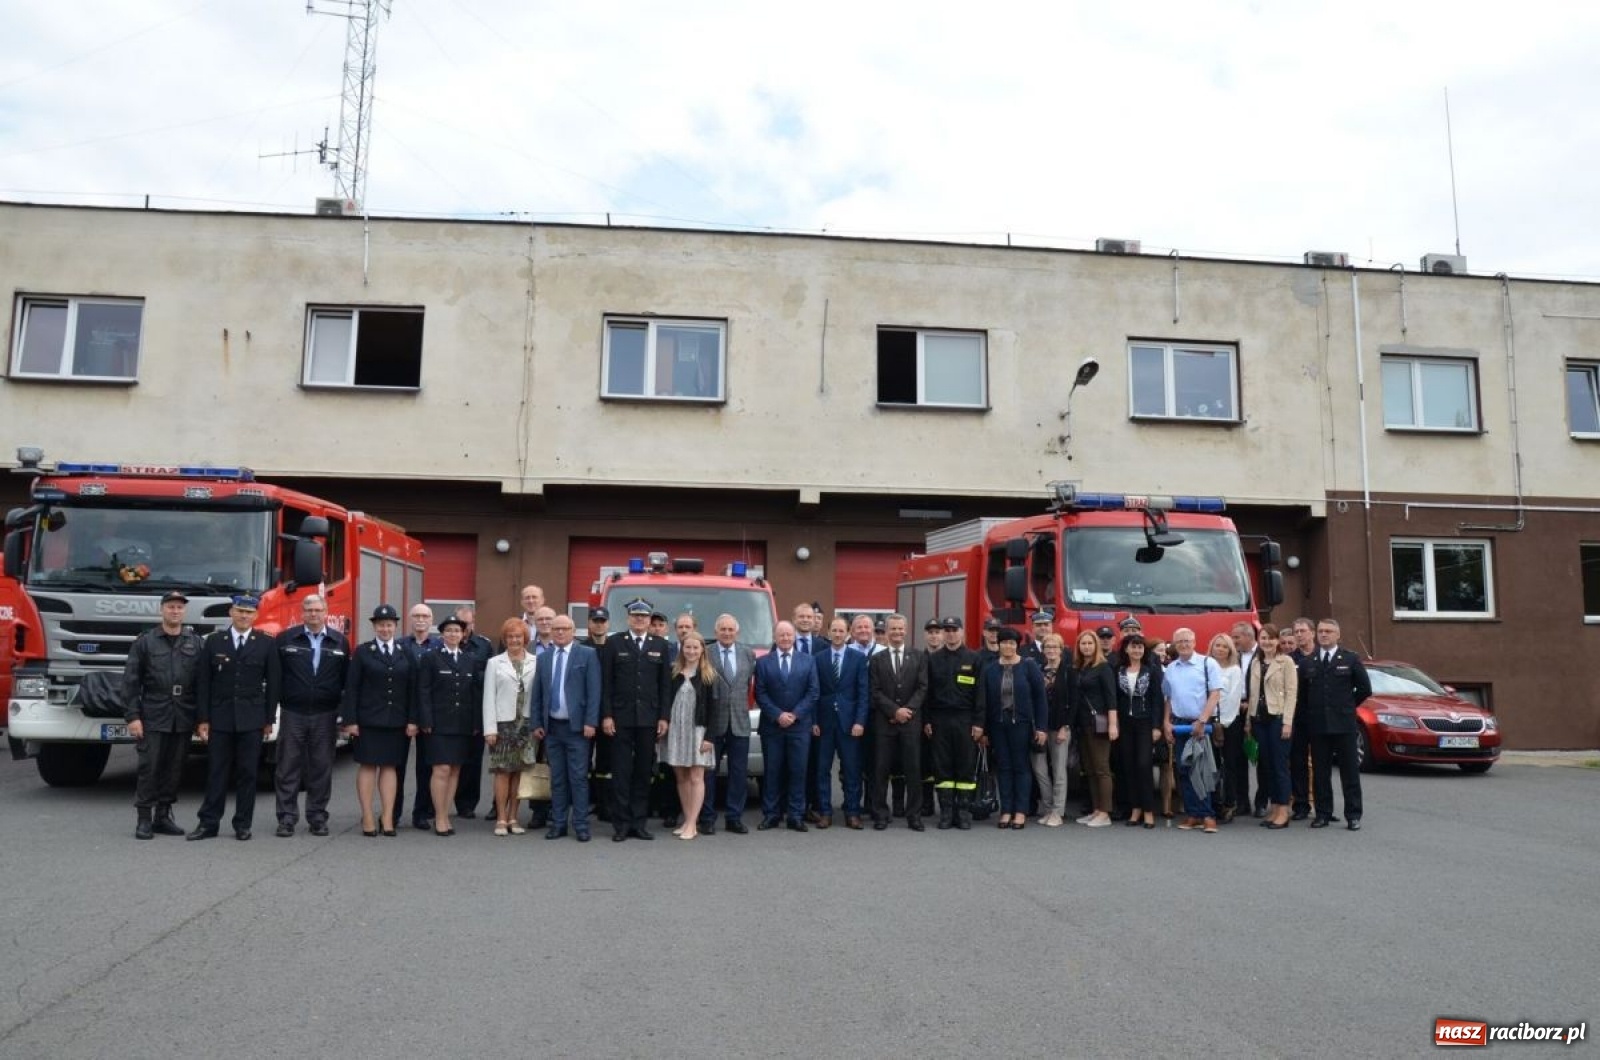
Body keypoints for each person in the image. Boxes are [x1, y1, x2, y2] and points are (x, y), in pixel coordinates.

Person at [188, 594, 281, 841]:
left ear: (256, 615)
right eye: (239, 611)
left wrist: (269, 719)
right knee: (216, 772)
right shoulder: (215, 641)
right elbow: (204, 682)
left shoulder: (266, 644)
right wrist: (203, 718)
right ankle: (208, 823)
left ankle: (243, 824)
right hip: (220, 718)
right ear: (231, 612)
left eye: (249, 612)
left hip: (252, 719)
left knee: (248, 773)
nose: (243, 616)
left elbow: (273, 684)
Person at [122, 589, 202, 840]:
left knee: (174, 768)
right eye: (171, 607)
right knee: (150, 767)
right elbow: (131, 682)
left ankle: (163, 816)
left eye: (179, 607)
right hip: (154, 712)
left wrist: (201, 719)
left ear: (184, 611)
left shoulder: (195, 642)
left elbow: (202, 684)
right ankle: (144, 819)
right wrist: (133, 716)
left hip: (183, 714)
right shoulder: (145, 642)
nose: (175, 611)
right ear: (161, 610)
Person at [273, 594, 350, 837]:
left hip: (325, 714)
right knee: (287, 767)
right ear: (302, 612)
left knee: (321, 767)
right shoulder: (285, 639)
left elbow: (346, 682)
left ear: (326, 611)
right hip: (293, 712)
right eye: (309, 610)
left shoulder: (339, 641)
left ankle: (317, 817)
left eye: (318, 609)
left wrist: (344, 715)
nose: (313, 614)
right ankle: (286, 818)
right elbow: (276, 678)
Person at [600, 599, 671, 841]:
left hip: (649, 719)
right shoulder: (614, 642)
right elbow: (606, 683)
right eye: (635, 616)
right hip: (620, 717)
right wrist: (607, 715)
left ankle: (639, 823)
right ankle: (621, 824)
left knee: (643, 772)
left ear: (650, 619)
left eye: (644, 616)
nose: (640, 620)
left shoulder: (660, 645)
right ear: (628, 618)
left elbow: (664, 687)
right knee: (621, 772)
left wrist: (663, 717)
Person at [342, 604, 416, 837]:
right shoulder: (364, 652)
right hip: (368, 721)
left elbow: (413, 689)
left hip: (396, 721)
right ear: (374, 626)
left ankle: (387, 816)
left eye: (389, 625)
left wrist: (413, 720)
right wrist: (351, 720)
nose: (385, 629)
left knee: (389, 767)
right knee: (367, 766)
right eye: (381, 625)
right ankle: (366, 815)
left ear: (395, 626)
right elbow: (351, 688)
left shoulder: (406, 652)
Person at [532, 614, 601, 841]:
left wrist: (591, 722)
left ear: (573, 631)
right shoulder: (543, 658)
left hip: (578, 729)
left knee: (578, 777)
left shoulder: (587, 654)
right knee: (558, 778)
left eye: (564, 628)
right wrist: (537, 723)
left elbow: (594, 692)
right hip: (552, 728)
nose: (560, 632)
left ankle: (580, 825)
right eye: (556, 629)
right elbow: (538, 694)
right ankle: (559, 824)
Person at [417, 615, 484, 836]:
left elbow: (475, 694)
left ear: (463, 634)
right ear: (442, 634)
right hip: (438, 724)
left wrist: (476, 723)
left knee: (455, 770)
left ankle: (446, 814)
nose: (453, 634)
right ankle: (439, 817)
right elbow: (424, 691)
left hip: (462, 724)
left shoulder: (470, 659)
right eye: (449, 630)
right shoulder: (431, 658)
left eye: (457, 630)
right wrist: (425, 720)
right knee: (441, 769)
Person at [1303, 618, 1371, 831]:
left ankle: (1353, 815)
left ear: (1338, 636)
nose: (1324, 634)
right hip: (1318, 726)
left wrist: (1348, 707)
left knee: (1349, 771)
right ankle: (1323, 813)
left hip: (1344, 725)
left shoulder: (1350, 659)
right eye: (1321, 631)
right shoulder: (1309, 661)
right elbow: (1303, 695)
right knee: (1321, 772)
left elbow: (1364, 689)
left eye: (1329, 631)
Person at [977, 627, 1047, 829]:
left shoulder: (1028, 666)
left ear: (1017, 646)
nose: (1007, 646)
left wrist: (1041, 727)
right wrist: (984, 730)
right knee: (1004, 768)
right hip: (997, 725)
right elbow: (984, 701)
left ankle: (1020, 811)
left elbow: (1040, 699)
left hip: (1022, 725)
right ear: (998, 644)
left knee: (1021, 767)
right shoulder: (990, 668)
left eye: (1012, 643)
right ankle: (1006, 810)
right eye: (1004, 642)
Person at [754, 620, 820, 831]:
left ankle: (795, 815)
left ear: (794, 637)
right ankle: (771, 814)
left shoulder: (808, 661)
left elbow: (813, 692)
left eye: (788, 635)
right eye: (781, 635)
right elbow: (760, 693)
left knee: (798, 771)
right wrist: (778, 715)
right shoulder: (763, 662)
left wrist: (795, 714)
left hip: (799, 727)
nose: (785, 638)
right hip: (772, 727)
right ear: (775, 637)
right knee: (772, 772)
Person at [867, 614, 928, 831]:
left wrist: (907, 711)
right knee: (881, 770)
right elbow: (874, 691)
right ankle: (881, 814)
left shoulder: (919, 657)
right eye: (893, 629)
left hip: (910, 723)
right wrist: (894, 711)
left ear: (906, 630)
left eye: (900, 629)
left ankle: (914, 815)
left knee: (913, 770)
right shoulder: (876, 659)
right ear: (886, 631)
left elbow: (922, 688)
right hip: (885, 723)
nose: (896, 633)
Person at [1162, 627, 1223, 833]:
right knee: (1184, 770)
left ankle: (1208, 815)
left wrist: (1202, 720)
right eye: (1179, 642)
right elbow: (1168, 698)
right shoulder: (1171, 668)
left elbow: (1215, 694)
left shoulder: (1208, 664)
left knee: (1203, 771)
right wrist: (1166, 722)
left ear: (1195, 642)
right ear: (1174, 645)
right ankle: (1193, 814)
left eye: (1187, 641)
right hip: (1179, 724)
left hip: (1200, 724)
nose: (1184, 644)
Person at [700, 613, 756, 835]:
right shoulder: (707, 653)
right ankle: (707, 818)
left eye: (730, 629)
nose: (726, 633)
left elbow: (749, 685)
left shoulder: (748, 653)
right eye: (722, 629)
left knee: (738, 773)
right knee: (708, 773)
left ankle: (734, 817)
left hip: (740, 722)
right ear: (715, 632)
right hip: (714, 723)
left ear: (737, 632)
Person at [813, 616, 870, 829]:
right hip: (825, 723)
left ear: (848, 634)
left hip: (850, 724)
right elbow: (814, 693)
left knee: (852, 769)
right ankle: (825, 812)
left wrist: (860, 722)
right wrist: (814, 721)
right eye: (834, 631)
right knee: (822, 769)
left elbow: (864, 693)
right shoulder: (818, 658)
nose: (837, 635)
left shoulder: (857, 659)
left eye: (841, 631)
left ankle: (852, 812)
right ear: (828, 633)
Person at [481, 618, 536, 836]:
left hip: (526, 725)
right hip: (503, 725)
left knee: (519, 773)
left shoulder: (535, 661)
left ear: (526, 639)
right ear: (504, 640)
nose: (514, 640)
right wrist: (489, 729)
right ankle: (501, 818)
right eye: (510, 637)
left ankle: (514, 816)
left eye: (518, 636)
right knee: (503, 772)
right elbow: (488, 697)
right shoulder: (495, 663)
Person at [926, 615, 981, 830]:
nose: (950, 633)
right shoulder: (933, 659)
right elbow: (928, 694)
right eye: (946, 630)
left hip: (965, 718)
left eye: (954, 629)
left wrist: (979, 723)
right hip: (940, 718)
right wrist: (928, 720)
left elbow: (980, 694)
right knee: (942, 766)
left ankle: (964, 812)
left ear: (962, 632)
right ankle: (947, 812)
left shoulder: (973, 658)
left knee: (965, 765)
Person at [660, 631, 716, 840]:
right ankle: (686, 819)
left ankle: (693, 823)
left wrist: (710, 737)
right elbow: (665, 701)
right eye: (687, 647)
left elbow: (714, 709)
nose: (691, 651)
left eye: (695, 647)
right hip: (677, 731)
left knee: (696, 777)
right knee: (681, 777)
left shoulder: (709, 675)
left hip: (698, 732)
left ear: (702, 650)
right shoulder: (674, 672)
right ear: (681, 649)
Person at [1247, 624, 1299, 829]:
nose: (1266, 642)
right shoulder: (1256, 663)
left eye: (1270, 638)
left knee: (1280, 767)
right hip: (1259, 719)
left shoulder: (1286, 662)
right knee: (1266, 766)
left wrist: (1287, 722)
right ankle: (1274, 808)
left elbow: (1291, 694)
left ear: (1277, 641)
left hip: (1278, 718)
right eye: (1263, 638)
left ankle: (1284, 811)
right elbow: (1253, 695)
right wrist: (1248, 722)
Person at [1114, 634, 1164, 829]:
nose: (1137, 650)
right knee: (1129, 766)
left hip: (1145, 723)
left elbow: (1157, 700)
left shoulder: (1151, 670)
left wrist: (1156, 727)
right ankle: (1135, 808)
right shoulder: (1119, 670)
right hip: (1125, 724)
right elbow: (1116, 699)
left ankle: (1148, 810)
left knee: (1144, 765)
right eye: (1133, 647)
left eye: (1140, 647)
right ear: (1126, 649)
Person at [1069, 629, 1118, 828]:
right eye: (1083, 644)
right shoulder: (1081, 667)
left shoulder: (1103, 667)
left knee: (1102, 769)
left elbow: (1111, 698)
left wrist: (1113, 725)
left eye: (1090, 643)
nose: (1086, 647)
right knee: (1089, 770)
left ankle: (1105, 812)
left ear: (1096, 646)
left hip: (1099, 725)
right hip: (1083, 725)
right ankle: (1096, 810)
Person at [400, 603, 440, 830]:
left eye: (425, 615)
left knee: (426, 767)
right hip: (401, 714)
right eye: (416, 615)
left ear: (431, 619)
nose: (420, 619)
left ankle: (422, 813)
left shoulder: (439, 646)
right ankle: (392, 814)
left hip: (428, 715)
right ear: (409, 618)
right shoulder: (398, 645)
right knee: (396, 767)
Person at [452, 606, 493, 820]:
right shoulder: (446, 643)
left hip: (475, 711)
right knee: (446, 760)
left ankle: (466, 804)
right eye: (461, 624)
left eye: (469, 624)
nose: (465, 628)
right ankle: (437, 802)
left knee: (472, 761)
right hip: (450, 712)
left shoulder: (484, 646)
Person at [1033, 633, 1071, 827]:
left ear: (1061, 649)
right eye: (1048, 647)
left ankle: (1058, 811)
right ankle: (1048, 808)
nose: (1051, 650)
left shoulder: (1068, 671)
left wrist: (1065, 727)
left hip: (1059, 726)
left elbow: (1073, 702)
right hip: (1040, 726)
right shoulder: (1038, 669)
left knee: (1058, 770)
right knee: (1039, 769)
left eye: (1055, 647)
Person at [1207, 632, 1246, 823]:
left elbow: (1232, 699)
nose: (1220, 649)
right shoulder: (1205, 668)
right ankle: (1214, 802)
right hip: (1209, 722)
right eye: (1217, 645)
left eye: (1224, 646)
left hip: (1230, 723)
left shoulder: (1234, 670)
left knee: (1230, 764)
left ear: (1230, 650)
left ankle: (1229, 803)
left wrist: (1221, 723)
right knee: (1211, 765)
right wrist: (1211, 720)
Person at [1288, 617, 1318, 820]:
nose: (1299, 634)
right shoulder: (1290, 659)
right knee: (1298, 762)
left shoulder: (1322, 656)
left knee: (1320, 764)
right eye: (1296, 631)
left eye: (1302, 631)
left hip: (1319, 718)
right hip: (1297, 717)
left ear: (1312, 633)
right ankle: (1301, 805)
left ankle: (1323, 805)